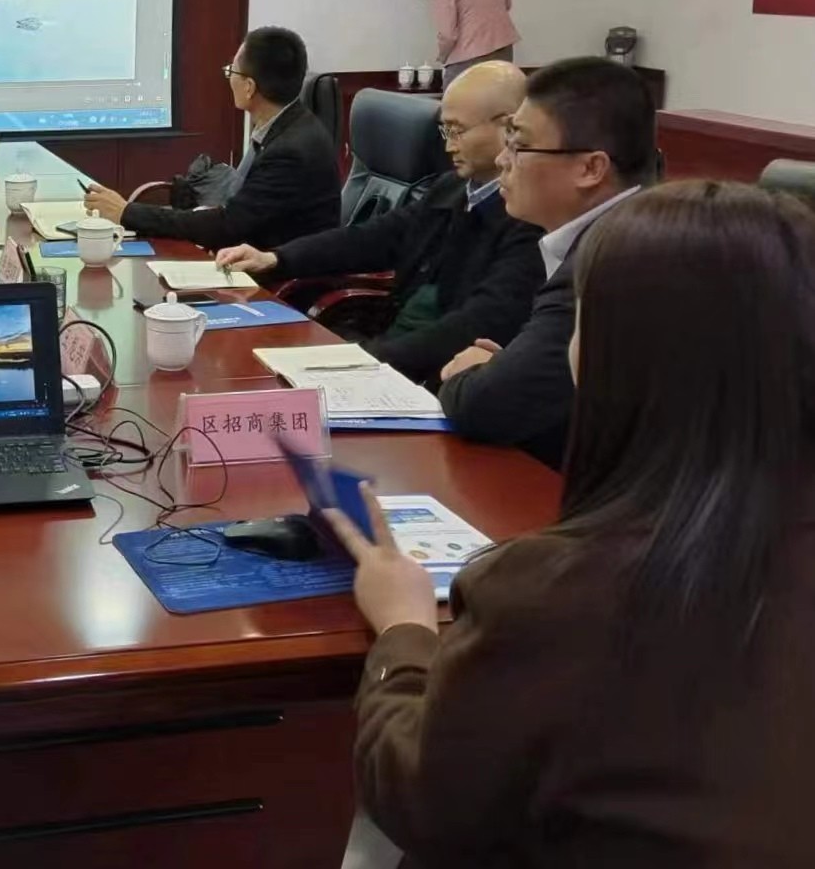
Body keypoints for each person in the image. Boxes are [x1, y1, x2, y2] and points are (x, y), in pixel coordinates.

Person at [325, 181, 815, 867]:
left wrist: (402, 630)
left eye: (577, 318)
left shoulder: (557, 593)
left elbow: (419, 799)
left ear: (619, 355)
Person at [214, 62, 541, 385]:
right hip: (390, 355)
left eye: (457, 131)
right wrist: (276, 258)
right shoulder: (451, 189)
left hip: (440, 377)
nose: (448, 145)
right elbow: (373, 237)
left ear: (508, 128)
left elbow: (475, 324)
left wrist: (365, 362)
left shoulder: (531, 218)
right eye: (445, 131)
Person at [437, 57, 656, 469]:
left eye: (519, 145)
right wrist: (505, 370)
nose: (502, 160)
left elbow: (486, 406)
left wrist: (475, 374)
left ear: (590, 168)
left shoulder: (612, 262)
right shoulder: (634, 227)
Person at [82, 26, 339, 251]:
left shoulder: (290, 151)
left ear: (249, 87)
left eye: (232, 72)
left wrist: (126, 212)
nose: (229, 78)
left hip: (273, 279)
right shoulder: (285, 127)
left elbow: (229, 226)